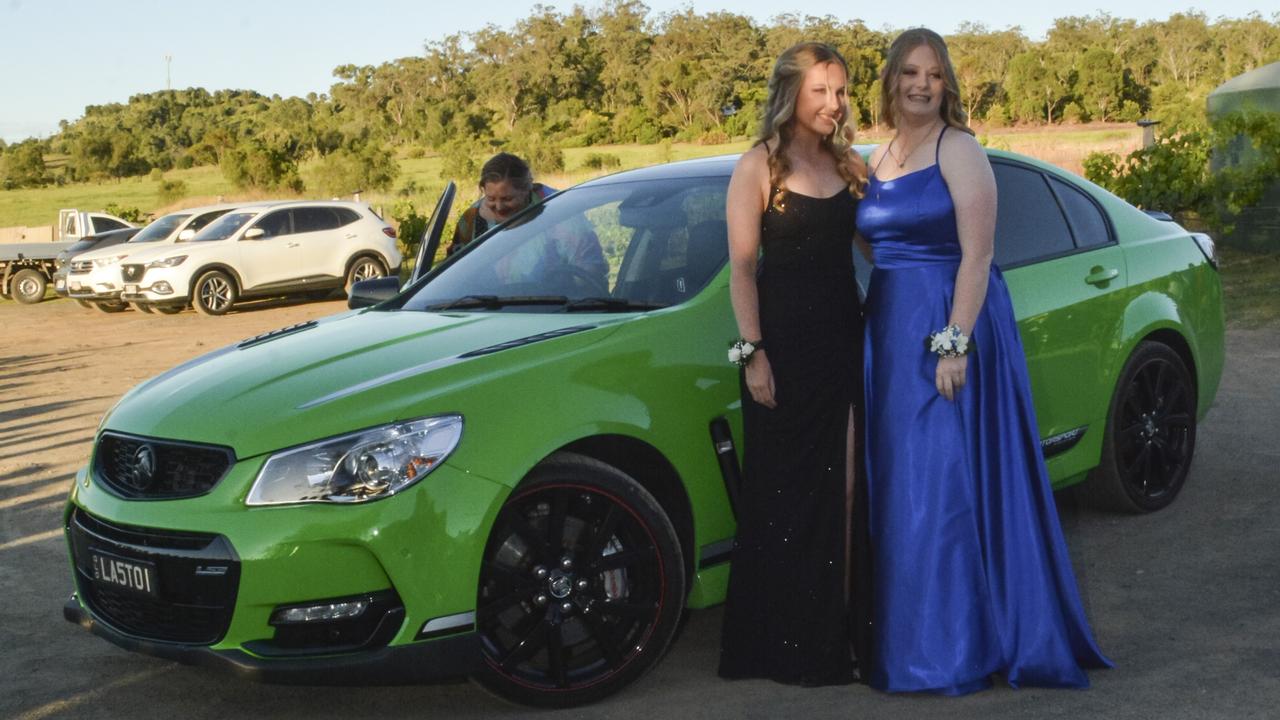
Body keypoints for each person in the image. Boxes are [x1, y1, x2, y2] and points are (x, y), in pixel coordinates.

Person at [856, 28, 1112, 694]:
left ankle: (956, 650)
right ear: (891, 80)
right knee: (903, 488)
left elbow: (977, 254)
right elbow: (869, 240)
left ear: (948, 85)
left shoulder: (959, 149)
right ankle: (912, 642)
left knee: (944, 487)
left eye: (933, 75)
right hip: (890, 328)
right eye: (910, 72)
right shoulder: (878, 157)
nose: (920, 84)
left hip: (950, 325)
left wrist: (953, 341)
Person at [718, 42, 869, 686]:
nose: (833, 103)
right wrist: (753, 353)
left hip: (844, 345)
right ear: (791, 94)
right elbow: (743, 269)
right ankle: (781, 645)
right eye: (820, 91)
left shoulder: (850, 164)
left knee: (844, 491)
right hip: (780, 355)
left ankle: (836, 638)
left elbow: (880, 243)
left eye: (840, 91)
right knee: (784, 499)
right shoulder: (759, 167)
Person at [445, 152, 556, 256]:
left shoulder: (552, 204)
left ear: (526, 189)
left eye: (507, 199)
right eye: (491, 198)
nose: (499, 207)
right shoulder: (470, 219)